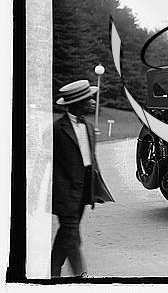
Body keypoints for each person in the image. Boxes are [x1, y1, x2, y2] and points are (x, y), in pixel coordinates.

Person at [52, 80, 114, 278]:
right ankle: (81, 276)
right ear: (77, 103)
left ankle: (52, 270)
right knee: (72, 235)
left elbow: (91, 159)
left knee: (67, 234)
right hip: (65, 193)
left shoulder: (88, 125)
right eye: (89, 99)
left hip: (84, 190)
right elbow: (44, 163)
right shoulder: (56, 129)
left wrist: (96, 186)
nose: (94, 102)